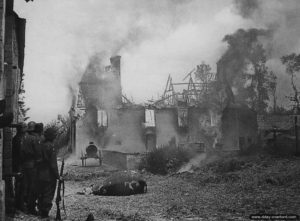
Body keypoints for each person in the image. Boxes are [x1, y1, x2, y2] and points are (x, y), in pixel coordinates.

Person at [37, 127, 60, 218]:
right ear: (52, 136)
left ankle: (40, 209)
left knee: (41, 192)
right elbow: (53, 164)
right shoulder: (51, 146)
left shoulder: (41, 145)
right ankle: (45, 212)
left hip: (40, 173)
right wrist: (58, 176)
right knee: (48, 193)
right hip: (49, 175)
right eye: (55, 135)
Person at [20, 121, 39, 214]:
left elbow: (22, 152)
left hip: (24, 164)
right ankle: (31, 207)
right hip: (32, 164)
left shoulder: (24, 138)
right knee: (33, 186)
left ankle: (25, 205)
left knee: (25, 185)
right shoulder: (34, 139)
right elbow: (37, 152)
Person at [12, 123, 27, 210]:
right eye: (24, 127)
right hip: (20, 165)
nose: (26, 129)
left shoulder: (16, 138)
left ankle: (19, 203)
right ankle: (19, 205)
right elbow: (21, 153)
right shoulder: (19, 139)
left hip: (18, 164)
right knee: (21, 184)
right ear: (21, 129)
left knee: (19, 184)